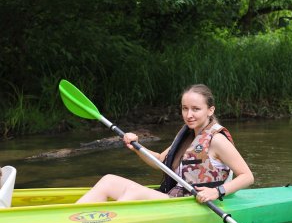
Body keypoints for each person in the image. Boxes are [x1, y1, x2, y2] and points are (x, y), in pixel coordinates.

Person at [76, 84, 254, 204]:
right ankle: (71, 220)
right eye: (185, 108)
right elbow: (161, 161)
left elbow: (247, 176)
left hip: (191, 203)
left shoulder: (217, 139)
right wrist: (137, 147)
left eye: (196, 109)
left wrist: (216, 192)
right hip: (173, 198)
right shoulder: (187, 134)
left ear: (210, 110)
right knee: (109, 181)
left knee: (134, 193)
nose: (189, 114)